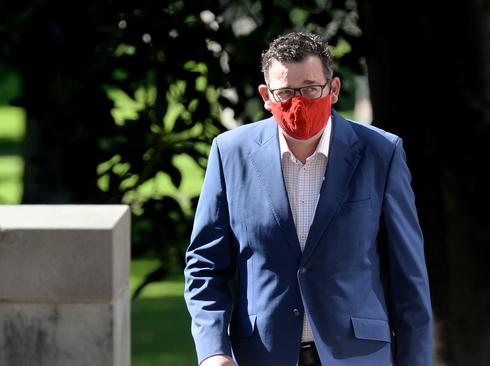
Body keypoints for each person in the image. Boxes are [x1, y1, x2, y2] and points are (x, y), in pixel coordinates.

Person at [183, 31, 432, 366]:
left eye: (311, 89)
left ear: (334, 89)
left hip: (358, 355)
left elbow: (408, 278)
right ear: (266, 95)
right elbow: (205, 266)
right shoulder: (230, 154)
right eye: (285, 92)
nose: (297, 102)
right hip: (263, 354)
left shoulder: (380, 152)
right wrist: (213, 350)